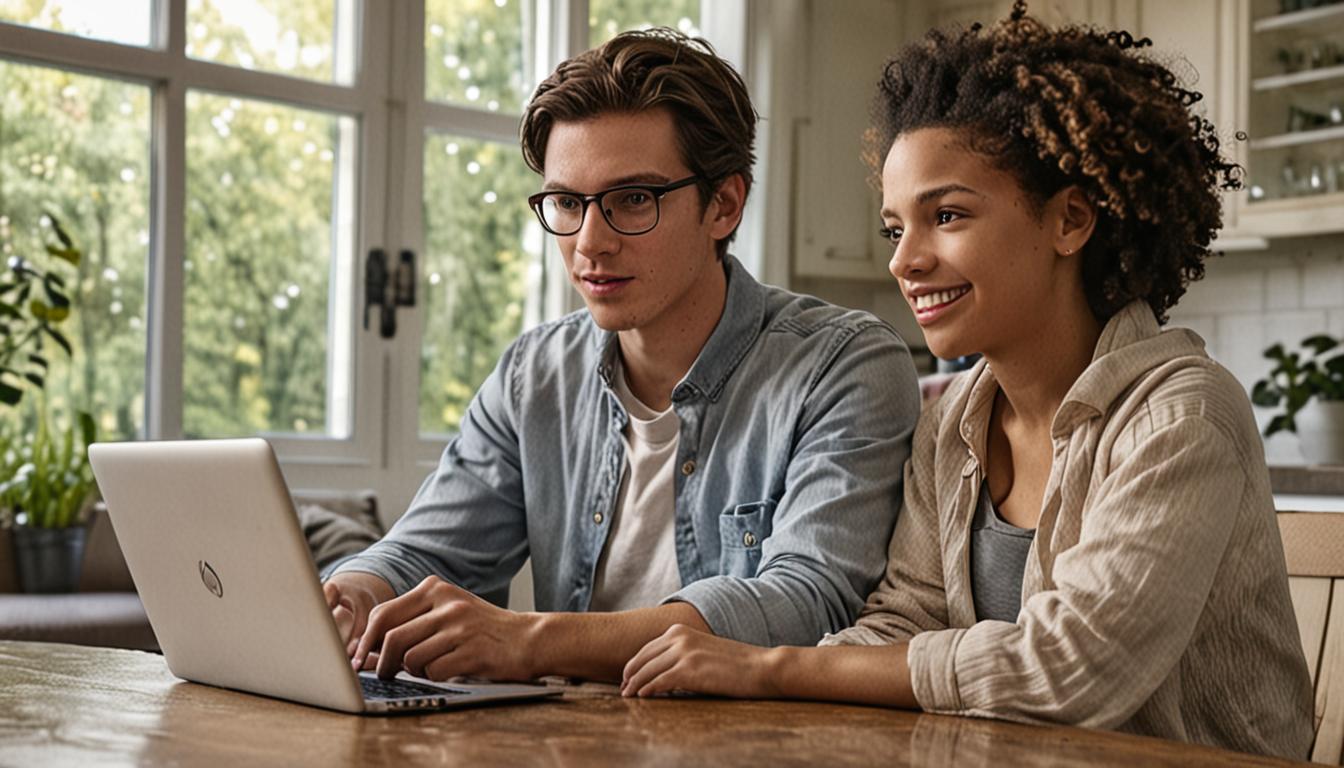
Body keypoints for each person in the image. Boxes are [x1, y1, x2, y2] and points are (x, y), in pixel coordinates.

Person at [619, 4, 1315, 759]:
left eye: (946, 215)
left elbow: (1071, 669)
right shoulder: (951, 422)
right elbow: (904, 622)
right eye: (895, 228)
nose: (903, 260)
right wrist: (775, 681)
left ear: (1071, 221)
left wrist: (772, 667)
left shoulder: (1181, 419)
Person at [321, 28, 921, 685]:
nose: (589, 243)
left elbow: (807, 598)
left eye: (632, 199)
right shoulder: (534, 375)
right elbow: (429, 551)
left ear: (724, 204)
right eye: (567, 203)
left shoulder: (846, 364)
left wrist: (530, 640)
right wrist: (353, 592)